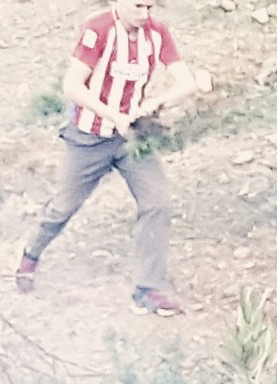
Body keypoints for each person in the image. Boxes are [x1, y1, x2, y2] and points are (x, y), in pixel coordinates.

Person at [17, 0, 186, 315]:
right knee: (63, 206)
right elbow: (72, 85)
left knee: (157, 203)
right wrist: (112, 114)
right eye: (138, 5)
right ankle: (31, 255)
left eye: (150, 6)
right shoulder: (98, 29)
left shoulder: (157, 32)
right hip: (88, 138)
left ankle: (147, 289)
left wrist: (154, 105)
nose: (144, 13)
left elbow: (186, 82)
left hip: (131, 138)